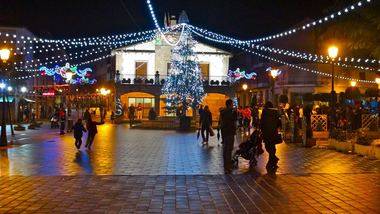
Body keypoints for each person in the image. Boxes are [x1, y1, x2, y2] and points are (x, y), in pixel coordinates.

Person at [260, 101, 281, 170]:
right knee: (272, 146)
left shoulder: (264, 112)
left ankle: (272, 161)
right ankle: (273, 160)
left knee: (268, 146)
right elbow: (279, 122)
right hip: (273, 132)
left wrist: (261, 129)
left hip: (266, 132)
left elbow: (262, 122)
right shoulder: (276, 112)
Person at [219, 99, 237, 174]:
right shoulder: (232, 111)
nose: (233, 105)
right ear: (230, 104)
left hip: (224, 132)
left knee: (225, 149)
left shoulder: (222, 112)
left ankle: (225, 165)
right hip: (230, 132)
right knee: (229, 149)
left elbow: (221, 121)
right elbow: (234, 120)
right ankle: (228, 166)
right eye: (232, 104)